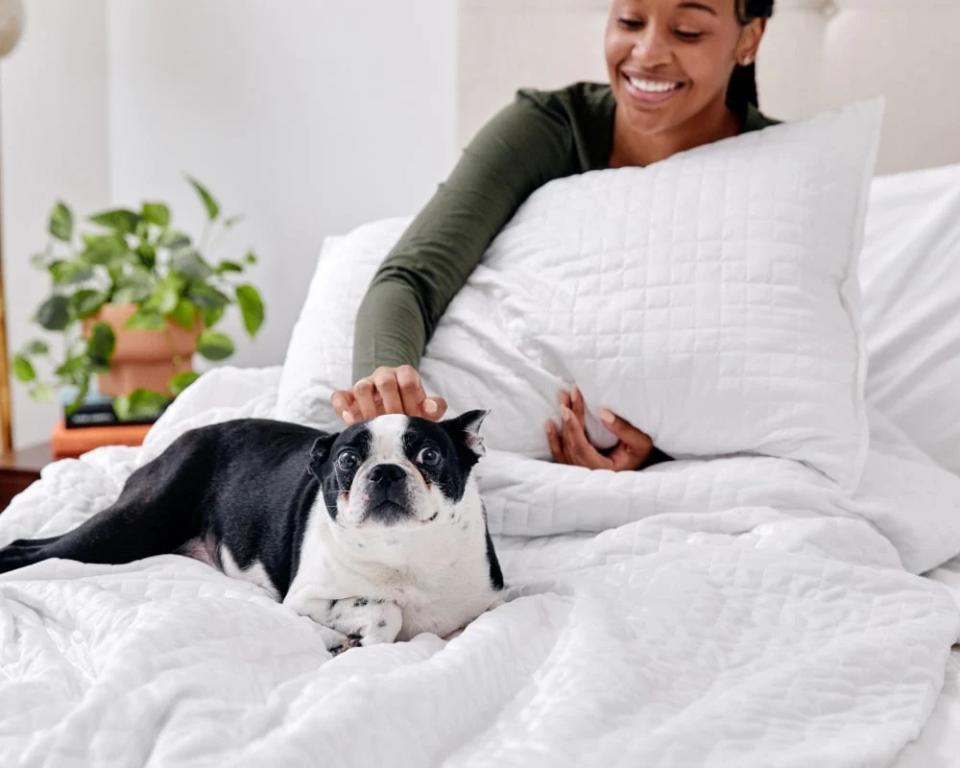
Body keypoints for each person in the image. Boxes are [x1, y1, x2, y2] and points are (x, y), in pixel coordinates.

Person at [332, 0, 777, 471]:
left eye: (687, 32)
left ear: (749, 38)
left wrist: (661, 453)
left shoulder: (785, 172)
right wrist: (384, 382)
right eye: (629, 21)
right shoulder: (547, 129)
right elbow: (412, 278)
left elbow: (768, 373)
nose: (647, 53)